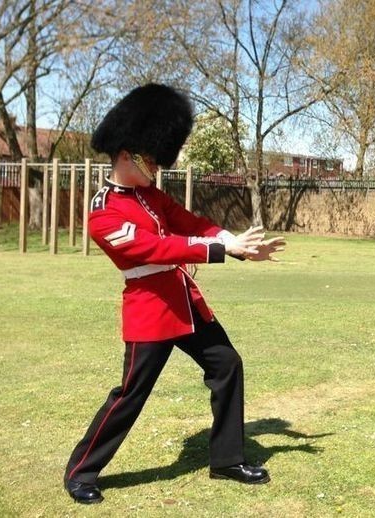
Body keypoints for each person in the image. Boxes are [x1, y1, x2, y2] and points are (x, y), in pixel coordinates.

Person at [64, 83, 285, 504]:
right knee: (130, 395)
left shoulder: (151, 197)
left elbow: (190, 223)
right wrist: (222, 249)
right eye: (151, 156)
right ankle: (81, 471)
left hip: (183, 301)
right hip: (150, 309)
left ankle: (226, 459)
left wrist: (234, 240)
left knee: (227, 365)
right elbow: (158, 248)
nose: (157, 164)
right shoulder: (103, 210)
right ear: (128, 154)